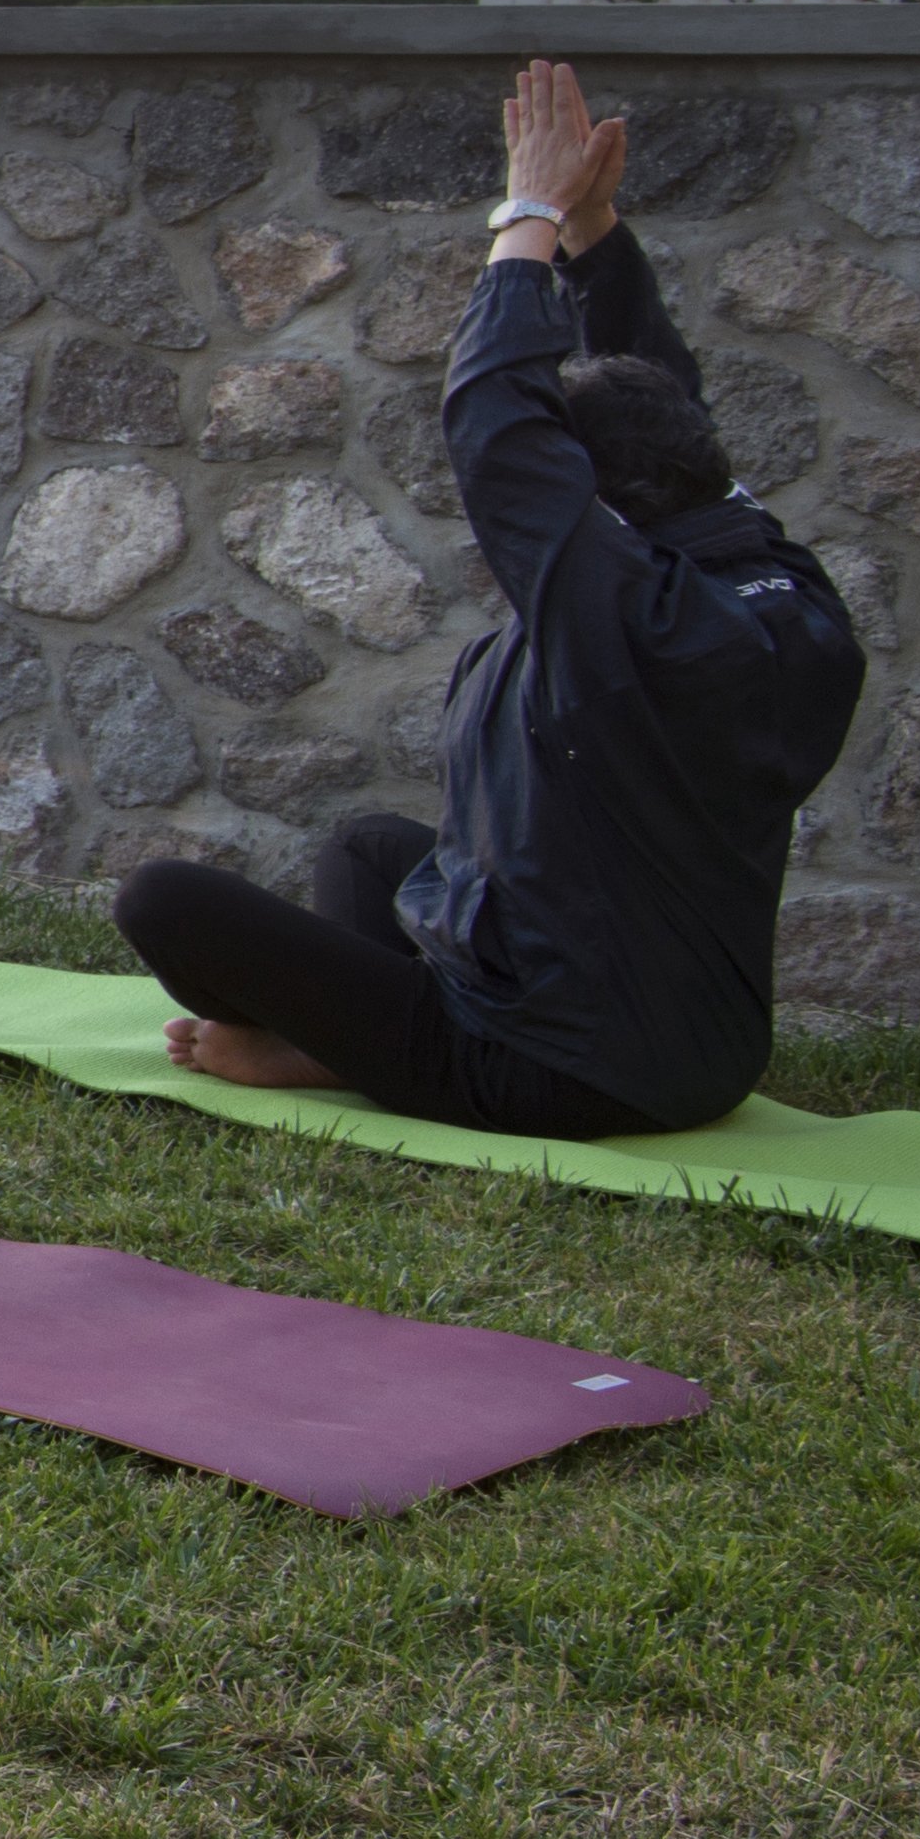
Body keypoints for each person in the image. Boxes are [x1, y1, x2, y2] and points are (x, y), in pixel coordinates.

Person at [113, 60, 861, 1135]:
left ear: (594, 508)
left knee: (164, 904)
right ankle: (364, 1038)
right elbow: (657, 405)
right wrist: (598, 238)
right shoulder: (776, 582)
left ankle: (356, 1057)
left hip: (556, 1066)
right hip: (703, 1043)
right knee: (370, 845)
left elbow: (497, 427)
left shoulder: (627, 624)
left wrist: (530, 218)